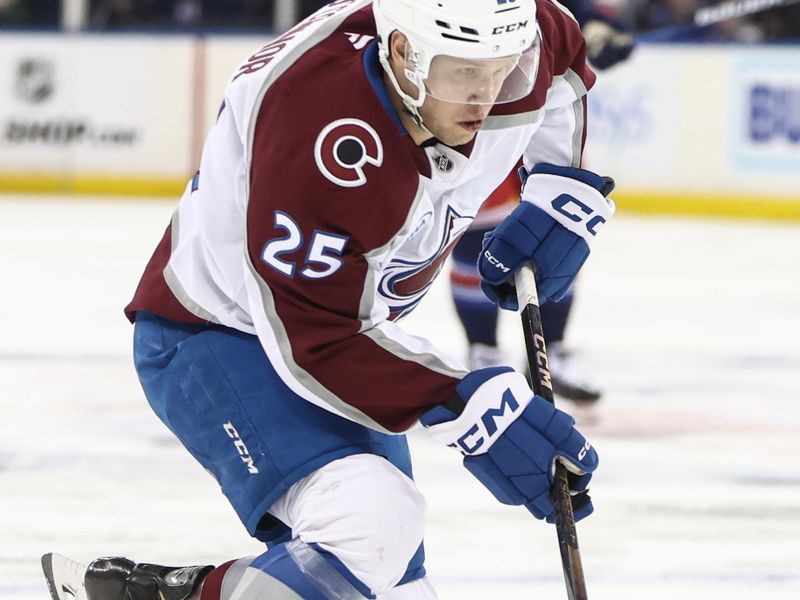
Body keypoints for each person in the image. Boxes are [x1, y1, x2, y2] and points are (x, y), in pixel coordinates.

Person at [42, 0, 615, 598]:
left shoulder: (517, 34)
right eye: (464, 73)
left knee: (385, 580)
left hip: (351, 342)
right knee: (372, 525)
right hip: (219, 336)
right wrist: (468, 405)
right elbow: (316, 333)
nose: (488, 97)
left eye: (502, 70)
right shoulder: (318, 130)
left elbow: (563, 66)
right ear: (402, 54)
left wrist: (558, 187)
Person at [449, 0, 633, 403]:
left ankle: (552, 352)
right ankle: (483, 356)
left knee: (557, 227)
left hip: (540, 95)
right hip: (472, 97)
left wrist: (598, 26)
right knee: (472, 232)